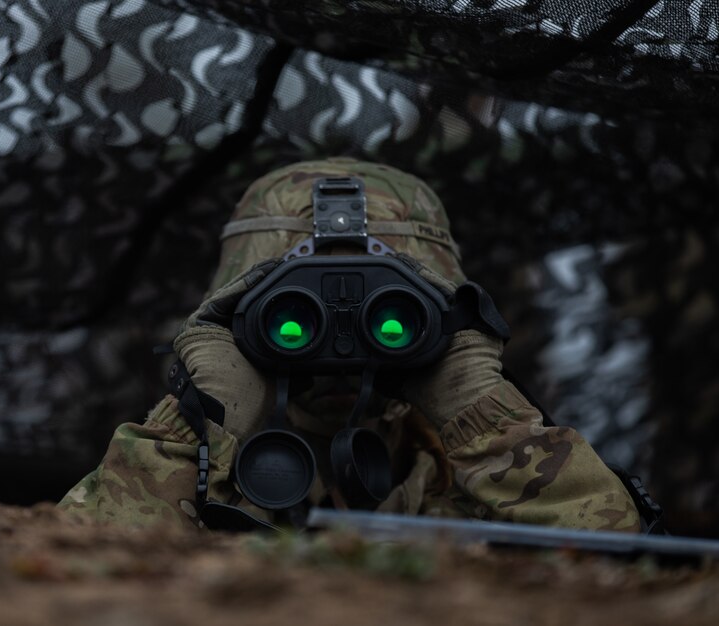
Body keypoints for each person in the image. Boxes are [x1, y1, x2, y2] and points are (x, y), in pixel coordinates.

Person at [58, 158, 641, 532]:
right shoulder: (196, 497)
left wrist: (486, 419)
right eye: (289, 317)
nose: (342, 350)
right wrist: (202, 424)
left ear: (446, 322)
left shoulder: (483, 498)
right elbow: (60, 577)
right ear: (229, 321)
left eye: (393, 317)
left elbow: (629, 575)